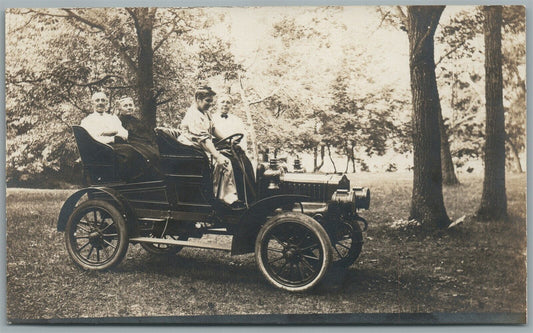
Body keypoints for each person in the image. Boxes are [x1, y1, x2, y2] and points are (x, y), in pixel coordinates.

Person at [177, 86, 242, 208]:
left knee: (232, 157)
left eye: (211, 101)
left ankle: (233, 195)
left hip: (200, 146)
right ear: (198, 99)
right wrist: (217, 156)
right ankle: (224, 200)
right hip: (191, 148)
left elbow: (213, 129)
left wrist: (228, 141)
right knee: (224, 162)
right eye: (207, 100)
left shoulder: (205, 112)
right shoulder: (194, 115)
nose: (210, 104)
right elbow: (204, 140)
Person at [115, 96, 162, 180]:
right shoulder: (118, 121)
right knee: (147, 155)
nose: (129, 108)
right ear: (120, 108)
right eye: (125, 106)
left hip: (145, 143)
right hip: (133, 144)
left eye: (130, 105)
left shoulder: (136, 120)